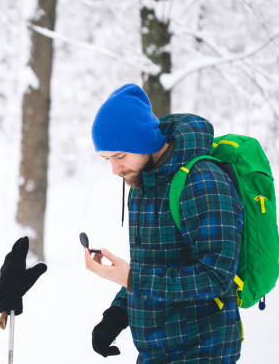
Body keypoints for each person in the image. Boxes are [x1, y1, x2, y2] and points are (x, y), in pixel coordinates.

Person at [83, 84, 244, 363]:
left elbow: (216, 277)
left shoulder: (203, 181)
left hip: (203, 351)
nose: (115, 170)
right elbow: (154, 267)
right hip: (156, 351)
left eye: (120, 156)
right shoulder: (143, 184)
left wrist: (132, 279)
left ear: (144, 141)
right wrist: (117, 314)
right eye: (107, 159)